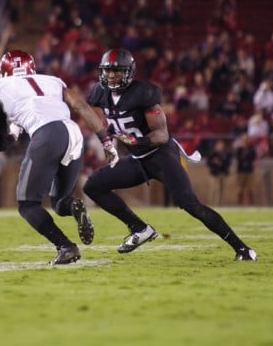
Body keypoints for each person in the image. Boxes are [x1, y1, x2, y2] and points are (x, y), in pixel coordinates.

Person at [83, 48, 257, 261]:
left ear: (129, 71)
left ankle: (243, 249)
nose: (111, 76)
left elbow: (162, 134)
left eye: (117, 71)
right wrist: (107, 135)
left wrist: (138, 140)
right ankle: (139, 228)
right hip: (138, 160)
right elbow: (92, 114)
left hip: (161, 155)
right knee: (93, 185)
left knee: (190, 204)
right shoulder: (99, 93)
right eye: (108, 71)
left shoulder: (143, 93)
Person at [0, 49, 119, 266]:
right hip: (73, 133)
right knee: (59, 202)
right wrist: (106, 141)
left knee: (28, 204)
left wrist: (0, 143)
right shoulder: (52, 81)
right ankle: (75, 205)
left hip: (46, 134)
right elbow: (81, 106)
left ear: (4, 72)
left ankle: (65, 246)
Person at [206, 139, 231, 206]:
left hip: (222, 173)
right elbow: (208, 162)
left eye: (221, 145)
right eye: (219, 145)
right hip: (214, 174)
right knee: (214, 189)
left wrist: (222, 164)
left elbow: (228, 163)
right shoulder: (212, 154)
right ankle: (212, 203)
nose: (220, 146)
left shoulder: (225, 154)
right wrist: (214, 162)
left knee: (221, 189)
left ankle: (219, 204)